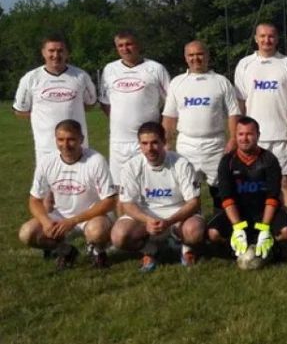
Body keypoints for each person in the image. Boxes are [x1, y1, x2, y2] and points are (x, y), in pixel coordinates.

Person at [18, 120, 117, 270]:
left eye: (71, 139)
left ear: (81, 139)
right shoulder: (47, 162)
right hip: (60, 217)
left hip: (91, 217)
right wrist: (46, 222)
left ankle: (98, 252)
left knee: (96, 231)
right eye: (60, 139)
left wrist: (73, 221)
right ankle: (67, 252)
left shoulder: (96, 161)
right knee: (27, 233)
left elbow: (110, 201)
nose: (65, 144)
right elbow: (34, 200)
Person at [110, 122, 205, 272]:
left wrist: (169, 222)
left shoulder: (181, 164)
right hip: (146, 216)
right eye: (144, 143)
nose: (150, 148)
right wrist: (147, 221)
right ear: (139, 145)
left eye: (154, 142)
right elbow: (127, 204)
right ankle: (150, 251)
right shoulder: (131, 167)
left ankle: (186, 249)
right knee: (118, 236)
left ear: (164, 142)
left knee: (195, 231)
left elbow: (194, 202)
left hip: (177, 215)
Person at [207, 116, 287, 269]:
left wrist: (265, 227)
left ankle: (271, 248)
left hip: (264, 211)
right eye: (241, 134)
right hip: (239, 212)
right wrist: (237, 227)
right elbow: (227, 198)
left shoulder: (269, 160)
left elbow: (273, 197)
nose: (244, 138)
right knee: (212, 233)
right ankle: (235, 248)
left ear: (258, 135)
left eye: (249, 134)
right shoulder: (227, 161)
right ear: (235, 136)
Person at [162, 40, 241, 211]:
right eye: (191, 55)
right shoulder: (177, 82)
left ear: (207, 56)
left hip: (215, 144)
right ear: (185, 57)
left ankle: (220, 223)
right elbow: (169, 117)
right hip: (187, 145)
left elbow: (233, 113)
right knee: (188, 191)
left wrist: (233, 139)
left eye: (199, 54)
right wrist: (166, 142)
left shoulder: (221, 81)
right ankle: (194, 224)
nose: (195, 58)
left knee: (221, 190)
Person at [234, 23, 287, 209]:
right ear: (256, 39)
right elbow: (240, 102)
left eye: (271, 36)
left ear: (277, 39)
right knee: (254, 182)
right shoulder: (244, 64)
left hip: (283, 135)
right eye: (262, 36)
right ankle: (259, 218)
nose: (267, 40)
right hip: (254, 137)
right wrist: (239, 134)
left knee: (285, 181)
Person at [100, 29, 170, 188]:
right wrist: (122, 121)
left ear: (138, 45)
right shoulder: (110, 69)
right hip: (119, 141)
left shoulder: (155, 68)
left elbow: (171, 102)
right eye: (120, 45)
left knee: (150, 185)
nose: (125, 49)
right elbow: (105, 102)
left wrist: (161, 128)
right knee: (120, 187)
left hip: (148, 142)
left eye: (129, 44)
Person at [13, 34, 97, 163]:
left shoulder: (81, 76)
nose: (56, 55)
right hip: (45, 147)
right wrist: (44, 117)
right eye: (51, 51)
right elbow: (20, 111)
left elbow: (90, 104)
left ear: (67, 53)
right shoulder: (30, 78)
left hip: (77, 146)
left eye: (60, 50)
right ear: (43, 52)